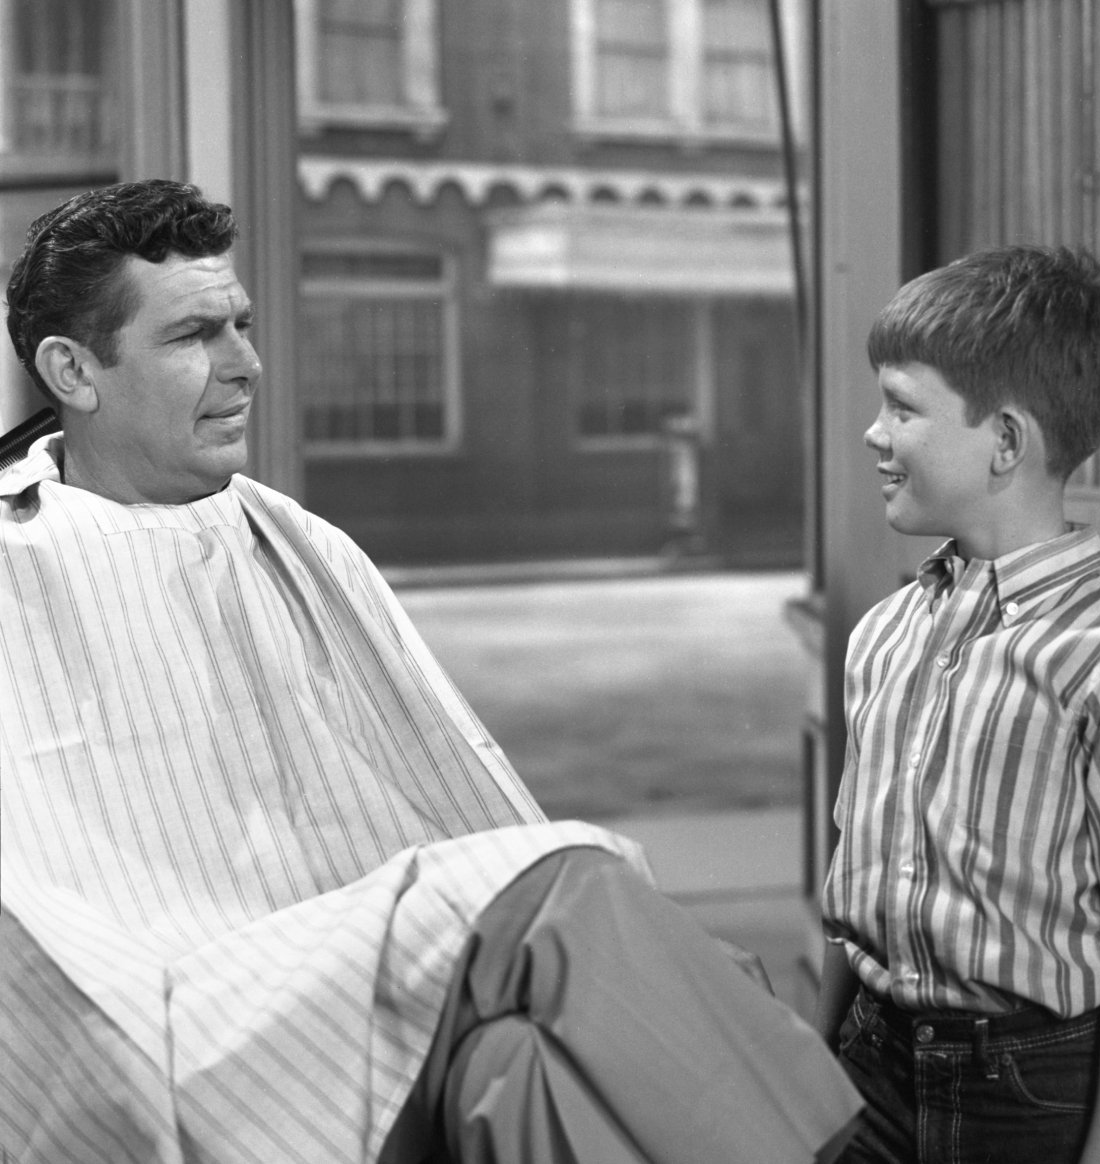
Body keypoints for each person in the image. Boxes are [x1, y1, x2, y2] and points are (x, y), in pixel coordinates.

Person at [0, 180, 862, 1164]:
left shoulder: (297, 541)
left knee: (521, 1065)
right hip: (179, 1006)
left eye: (242, 324)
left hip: (374, 976)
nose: (247, 365)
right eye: (196, 335)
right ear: (73, 369)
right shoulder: (18, 566)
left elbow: (449, 795)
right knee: (570, 889)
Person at [814, 243, 1100, 1164]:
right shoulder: (884, 633)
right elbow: (853, 876)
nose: (873, 433)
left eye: (901, 407)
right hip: (868, 1061)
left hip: (1027, 1093)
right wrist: (814, 1067)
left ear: (1005, 442)